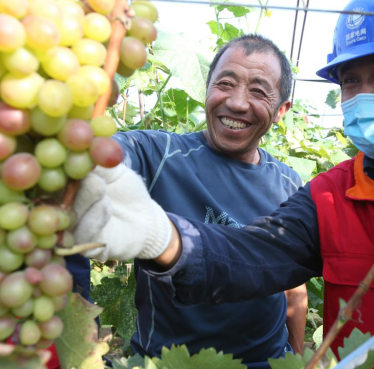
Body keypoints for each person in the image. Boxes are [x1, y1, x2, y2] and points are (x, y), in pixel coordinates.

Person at [74, 0, 374, 367]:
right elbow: (249, 258)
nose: (364, 95)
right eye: (350, 81)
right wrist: (163, 238)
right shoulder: (329, 196)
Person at [76, 35, 308, 368]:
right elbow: (100, 156)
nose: (238, 103)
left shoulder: (289, 182)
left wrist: (299, 359)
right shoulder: (157, 154)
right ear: (207, 89)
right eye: (225, 84)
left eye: (258, 91)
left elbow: (293, 288)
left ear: (281, 110)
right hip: (168, 363)